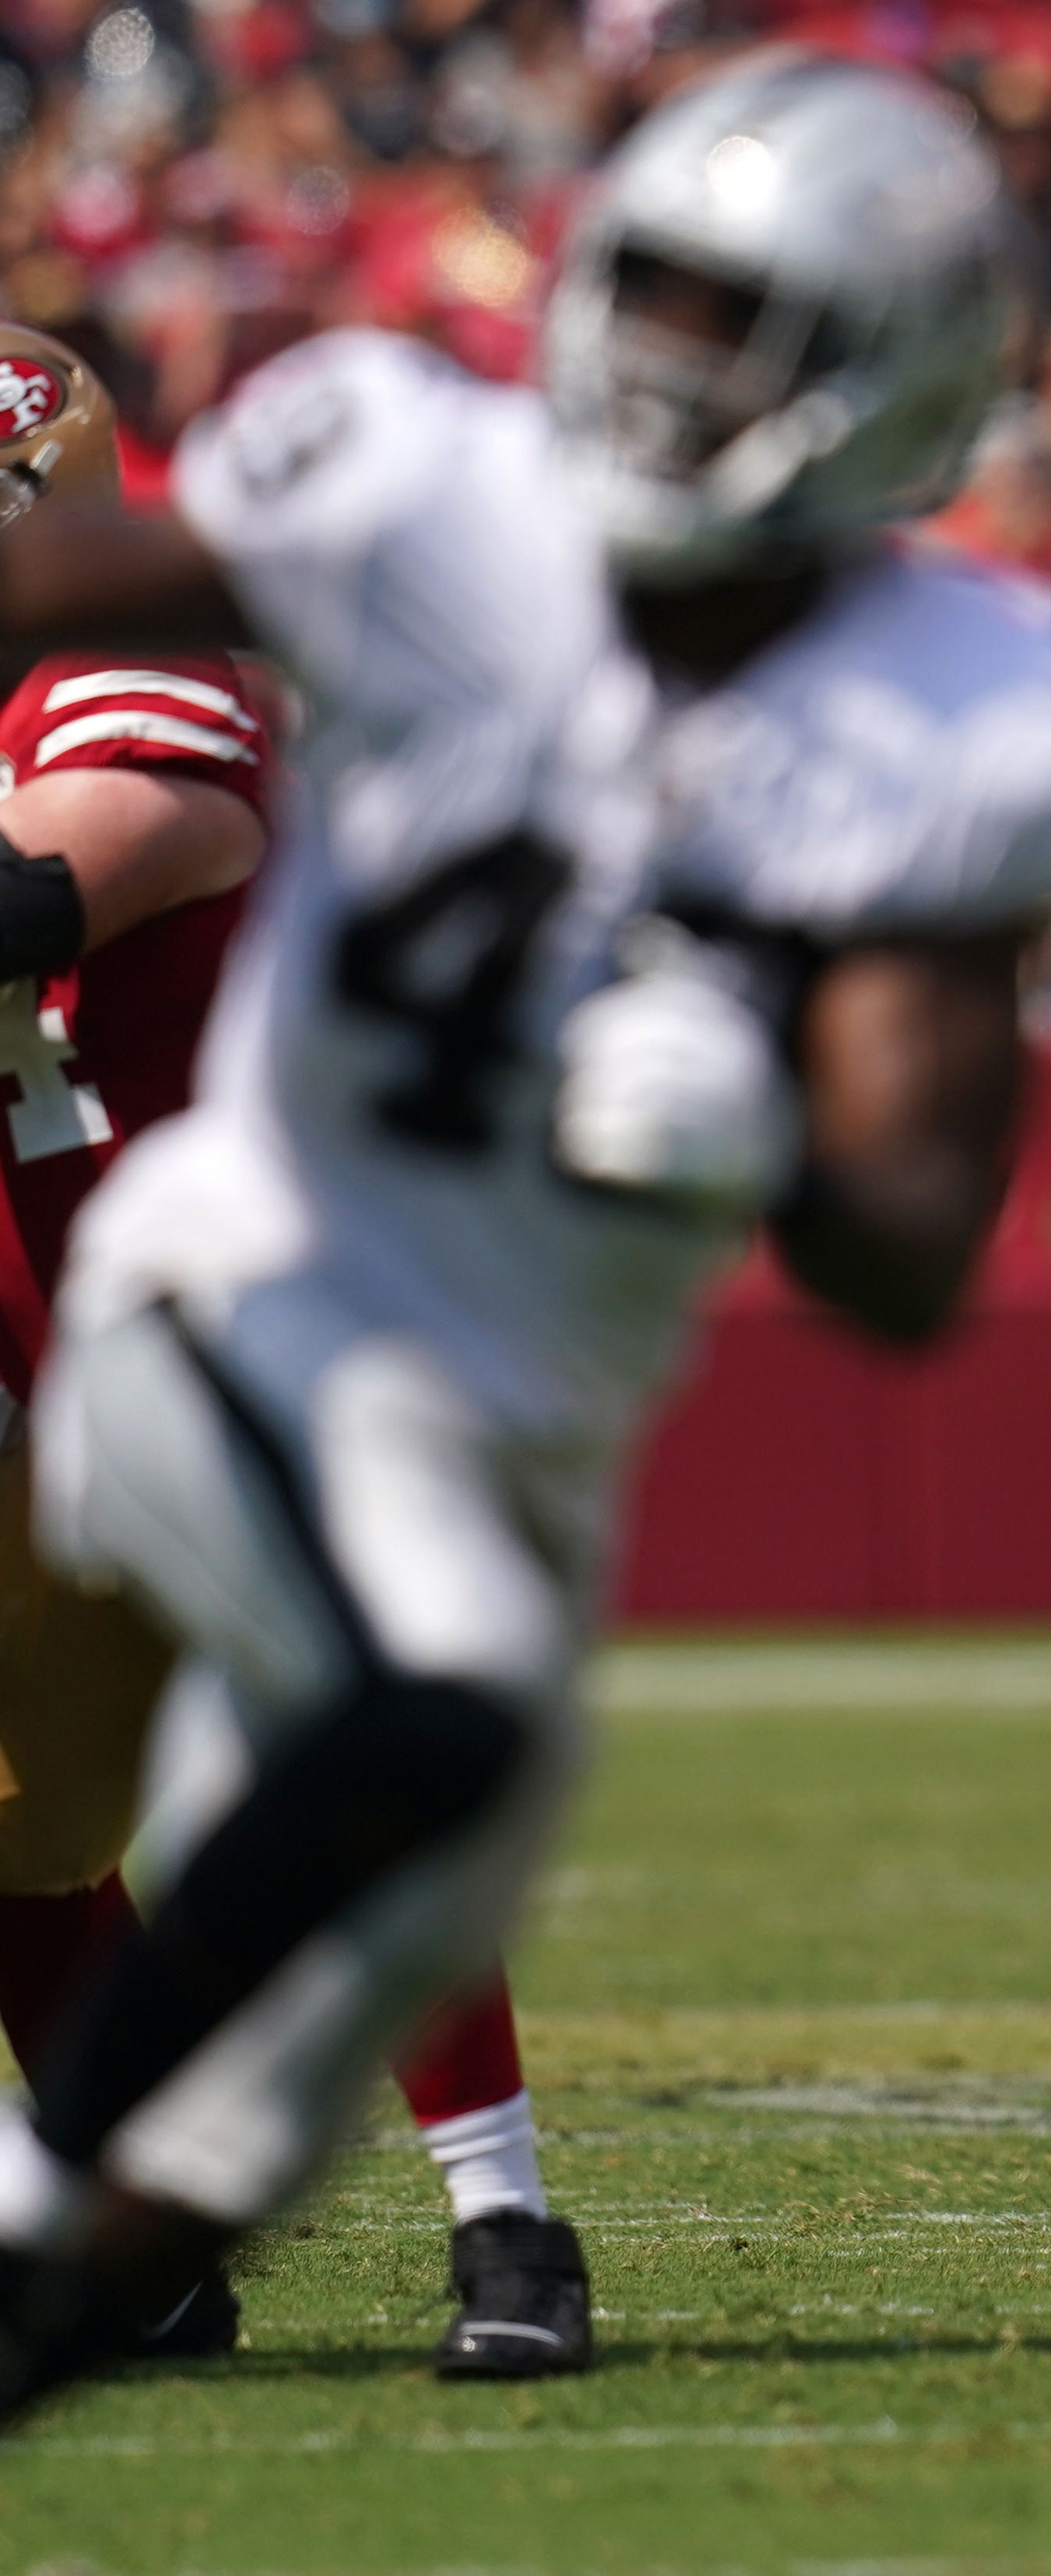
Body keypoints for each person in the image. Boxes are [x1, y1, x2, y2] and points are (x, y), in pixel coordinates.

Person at [0, 51, 1051, 2420]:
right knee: (420, 1701)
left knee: (257, 2075)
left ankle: (75, 2244)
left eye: (736, 321)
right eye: (656, 293)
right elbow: (97, 577)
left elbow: (913, 1257)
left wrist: (769, 1137)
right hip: (234, 1265)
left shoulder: (978, 703)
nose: (658, 362)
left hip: (500, 1389)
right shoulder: (418, 470)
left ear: (886, 370)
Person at [0, 326, 599, 2379]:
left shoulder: (117, 681)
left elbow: (40, 899)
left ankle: (507, 2223)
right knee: (22, 1821)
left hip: (218, 1310)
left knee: (344, 1756)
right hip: (26, 1335)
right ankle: (131, 2249)